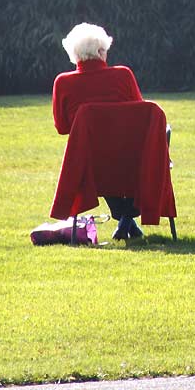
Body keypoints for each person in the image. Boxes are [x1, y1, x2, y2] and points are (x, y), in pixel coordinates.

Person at [52, 22, 145, 240]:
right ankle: (126, 218)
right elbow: (141, 117)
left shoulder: (62, 83)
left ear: (74, 54)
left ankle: (123, 217)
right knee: (120, 160)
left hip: (88, 164)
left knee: (98, 162)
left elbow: (63, 128)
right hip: (132, 158)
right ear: (101, 51)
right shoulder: (123, 75)